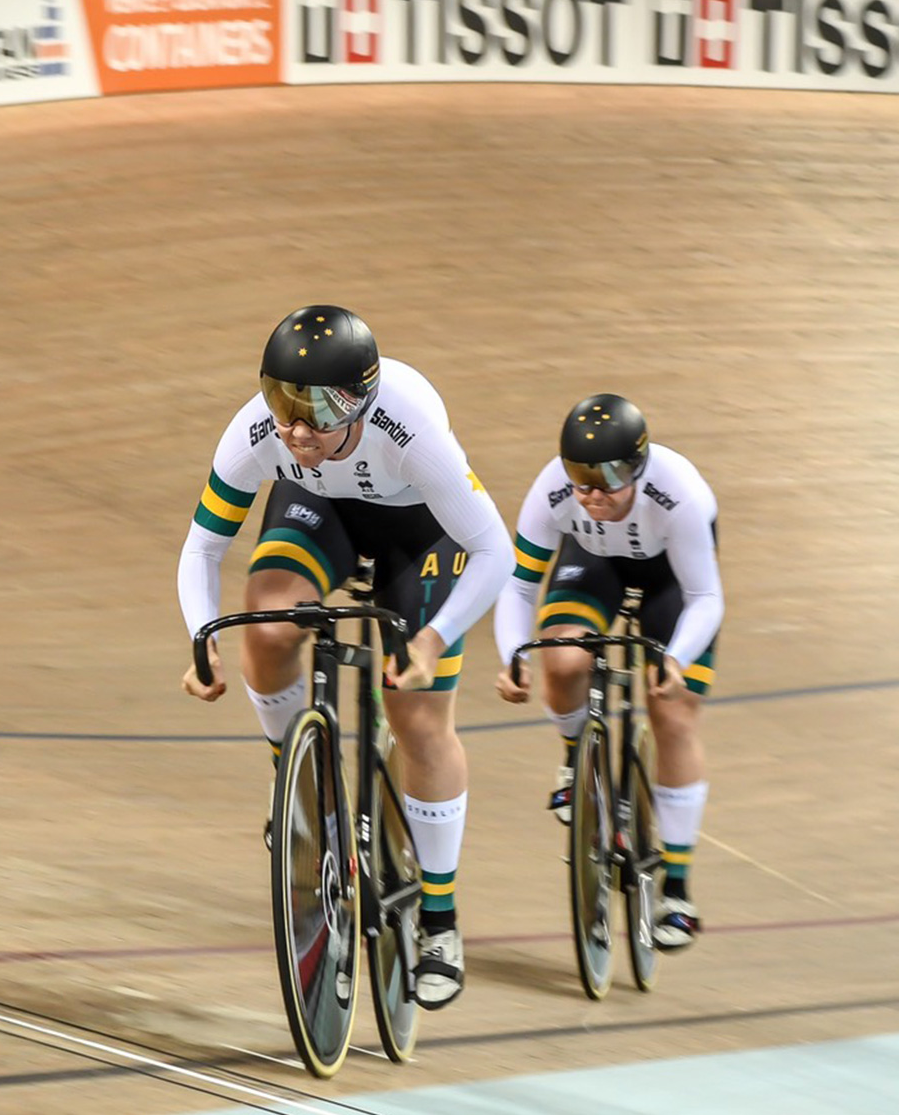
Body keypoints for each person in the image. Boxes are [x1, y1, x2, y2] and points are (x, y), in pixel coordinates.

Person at [179, 305, 508, 1009]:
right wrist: (201, 637)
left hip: (418, 535)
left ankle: (440, 921)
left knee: (417, 717)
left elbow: (495, 551)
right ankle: (293, 785)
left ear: (360, 400)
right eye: (283, 405)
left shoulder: (412, 430)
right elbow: (203, 545)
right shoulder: (257, 433)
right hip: (317, 510)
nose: (295, 430)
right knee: (265, 632)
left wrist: (431, 639)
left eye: (317, 412)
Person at [493, 394, 721, 950]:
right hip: (592, 562)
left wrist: (675, 660)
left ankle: (679, 888)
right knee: (564, 658)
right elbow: (518, 584)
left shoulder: (681, 496)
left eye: (608, 480)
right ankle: (576, 761)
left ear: (639, 469)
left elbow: (705, 595)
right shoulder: (552, 492)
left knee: (672, 711)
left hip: (672, 578)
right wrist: (513, 656)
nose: (592, 494)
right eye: (581, 480)